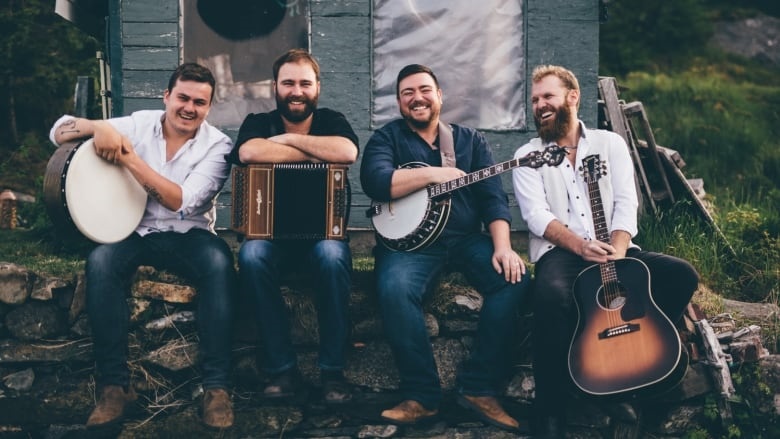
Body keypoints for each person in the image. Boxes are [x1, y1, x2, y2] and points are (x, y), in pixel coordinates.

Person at [512, 64, 699, 438]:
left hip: (615, 248)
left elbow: (627, 203)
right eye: (534, 100)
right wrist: (580, 246)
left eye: (547, 96)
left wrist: (617, 249)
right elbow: (536, 216)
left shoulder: (609, 144)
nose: (540, 105)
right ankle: (551, 408)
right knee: (549, 297)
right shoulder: (527, 155)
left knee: (682, 275)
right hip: (561, 252)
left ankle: (637, 355)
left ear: (572, 97)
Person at [49, 63, 237, 429]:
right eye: (182, 97)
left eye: (199, 102)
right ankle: (114, 388)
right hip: (133, 230)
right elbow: (58, 130)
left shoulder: (219, 145)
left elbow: (179, 200)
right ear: (166, 96)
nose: (189, 108)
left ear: (209, 107)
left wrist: (129, 158)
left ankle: (217, 388)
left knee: (219, 264)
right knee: (101, 263)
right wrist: (99, 127)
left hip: (189, 235)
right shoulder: (139, 124)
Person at [360, 64, 529, 433]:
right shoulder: (386, 139)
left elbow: (493, 201)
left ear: (439, 96)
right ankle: (422, 397)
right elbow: (375, 180)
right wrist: (437, 174)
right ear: (400, 102)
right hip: (409, 246)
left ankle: (478, 389)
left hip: (466, 240)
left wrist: (502, 247)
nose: (416, 98)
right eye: (407, 93)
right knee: (394, 288)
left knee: (514, 281)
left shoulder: (471, 141)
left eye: (424, 90)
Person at [227, 49, 359, 404]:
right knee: (252, 254)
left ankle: (332, 371)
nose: (296, 90)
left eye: (305, 83)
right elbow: (249, 153)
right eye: (288, 83)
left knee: (332, 255)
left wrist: (285, 141)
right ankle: (282, 370)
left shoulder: (332, 120)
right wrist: (316, 151)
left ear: (317, 87)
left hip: (321, 239)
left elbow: (346, 152)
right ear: (275, 86)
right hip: (270, 239)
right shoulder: (258, 122)